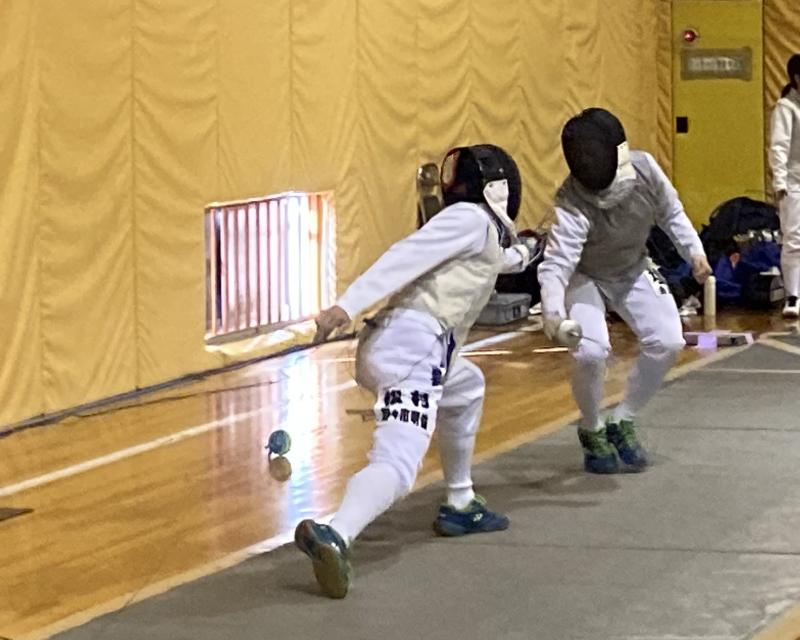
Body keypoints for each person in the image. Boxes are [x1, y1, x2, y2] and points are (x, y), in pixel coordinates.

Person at [295, 144, 538, 598]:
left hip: (407, 347)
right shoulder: (469, 220)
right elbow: (404, 256)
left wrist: (528, 250)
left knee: (467, 387)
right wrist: (345, 306)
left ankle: (461, 502)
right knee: (397, 465)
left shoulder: (480, 232)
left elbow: (494, 262)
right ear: (501, 190)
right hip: (413, 351)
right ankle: (336, 534)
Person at [538, 108, 712, 474]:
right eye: (582, 155)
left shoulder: (645, 169)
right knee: (590, 352)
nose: (588, 162)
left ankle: (623, 418)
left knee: (668, 341)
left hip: (632, 267)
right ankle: (592, 428)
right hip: (585, 277)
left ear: (615, 151)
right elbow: (558, 263)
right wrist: (553, 311)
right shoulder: (572, 199)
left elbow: (671, 212)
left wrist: (694, 252)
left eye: (594, 153)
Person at [769, 53, 800, 318]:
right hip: (793, 184)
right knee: (794, 240)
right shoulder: (786, 107)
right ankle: (793, 296)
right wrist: (779, 182)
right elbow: (779, 147)